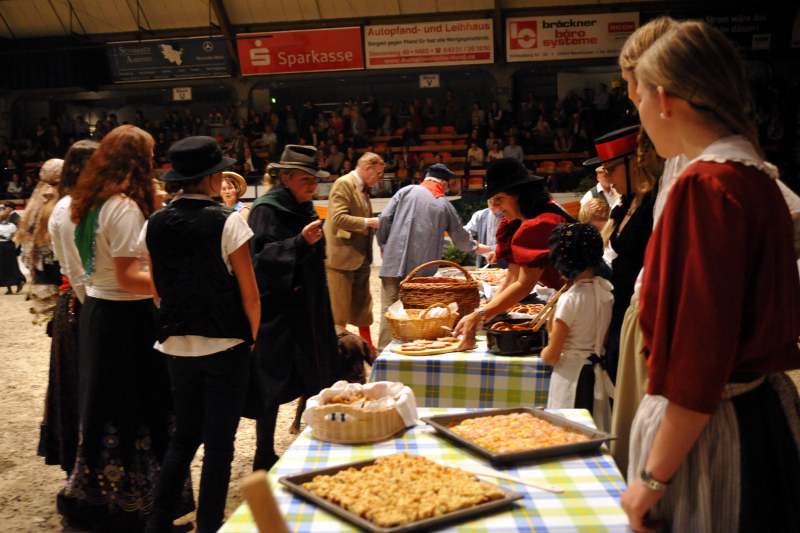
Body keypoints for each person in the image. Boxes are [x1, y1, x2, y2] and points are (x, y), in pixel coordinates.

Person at [620, 21, 800, 532]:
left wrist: (651, 480)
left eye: (639, 103)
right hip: (761, 413)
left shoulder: (706, 185)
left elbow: (699, 363)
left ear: (664, 98)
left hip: (712, 431)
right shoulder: (758, 177)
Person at [58, 126, 194, 529]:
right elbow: (128, 276)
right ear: (138, 160)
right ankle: (147, 512)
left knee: (109, 412)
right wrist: (175, 284)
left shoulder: (88, 202)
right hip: (127, 320)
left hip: (101, 315)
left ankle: (107, 507)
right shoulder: (123, 206)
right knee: (146, 411)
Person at [142, 137, 260, 533]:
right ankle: (210, 523)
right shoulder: (227, 220)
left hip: (176, 343)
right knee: (219, 444)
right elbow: (250, 293)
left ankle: (156, 522)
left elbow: (157, 290)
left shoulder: (154, 222)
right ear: (211, 179)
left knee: (184, 438)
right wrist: (252, 338)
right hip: (225, 343)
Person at [245, 145, 341, 472]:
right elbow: (257, 261)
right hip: (279, 312)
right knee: (270, 382)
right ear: (285, 178)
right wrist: (298, 243)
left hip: (311, 308)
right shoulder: (265, 209)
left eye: (316, 180)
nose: (313, 186)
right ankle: (262, 453)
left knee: (318, 373)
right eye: (306, 179)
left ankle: (318, 442)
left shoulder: (305, 206)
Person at [454, 158, 575, 350]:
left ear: (520, 195)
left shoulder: (542, 222)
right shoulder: (519, 219)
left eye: (500, 199)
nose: (495, 206)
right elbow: (512, 277)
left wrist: (481, 315)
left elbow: (524, 285)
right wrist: (486, 315)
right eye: (493, 199)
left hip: (584, 298)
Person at [39, 140, 98, 474]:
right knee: (83, 389)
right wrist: (97, 311)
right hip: (82, 305)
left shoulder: (72, 204)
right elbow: (78, 271)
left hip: (77, 303)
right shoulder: (71, 208)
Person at [376, 163, 477, 350]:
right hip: (421, 275)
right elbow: (460, 239)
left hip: (392, 263)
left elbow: (384, 218)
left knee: (388, 312)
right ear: (444, 185)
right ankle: (413, 355)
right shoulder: (443, 203)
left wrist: (384, 245)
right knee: (419, 316)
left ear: (426, 179)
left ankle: (384, 356)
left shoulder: (405, 191)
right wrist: (476, 248)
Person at [588, 126, 656, 385]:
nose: (606, 177)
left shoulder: (653, 203)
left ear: (636, 162)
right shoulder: (626, 201)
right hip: (621, 304)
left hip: (641, 308)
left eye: (610, 168)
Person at [540, 223, 614, 432]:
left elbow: (552, 355)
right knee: (593, 432)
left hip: (572, 378)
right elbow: (603, 341)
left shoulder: (570, 299)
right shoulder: (606, 293)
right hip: (596, 373)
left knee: (568, 434)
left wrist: (543, 353)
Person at [324, 152, 383, 348]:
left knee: (363, 307)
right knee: (339, 311)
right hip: (341, 258)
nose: (380, 178)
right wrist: (369, 222)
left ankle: (368, 347)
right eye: (379, 174)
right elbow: (337, 218)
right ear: (368, 168)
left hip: (360, 257)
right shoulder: (343, 183)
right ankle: (338, 352)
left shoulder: (363, 189)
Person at [14, 159, 64, 327]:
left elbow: (28, 251)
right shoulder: (63, 204)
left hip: (45, 278)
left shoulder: (36, 204)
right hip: (62, 279)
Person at [463, 197, 505, 268]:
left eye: (497, 202)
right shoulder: (480, 215)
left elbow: (513, 244)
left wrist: (489, 249)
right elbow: (466, 231)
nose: (493, 205)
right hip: (483, 261)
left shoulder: (510, 216)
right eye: (490, 201)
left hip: (504, 261)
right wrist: (471, 241)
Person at [0, 209, 25, 294]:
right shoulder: (12, 226)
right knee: (13, 265)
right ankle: (19, 280)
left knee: (4, 267)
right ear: (8, 217)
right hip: (10, 246)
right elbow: (16, 236)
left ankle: (9, 288)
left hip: (2, 246)